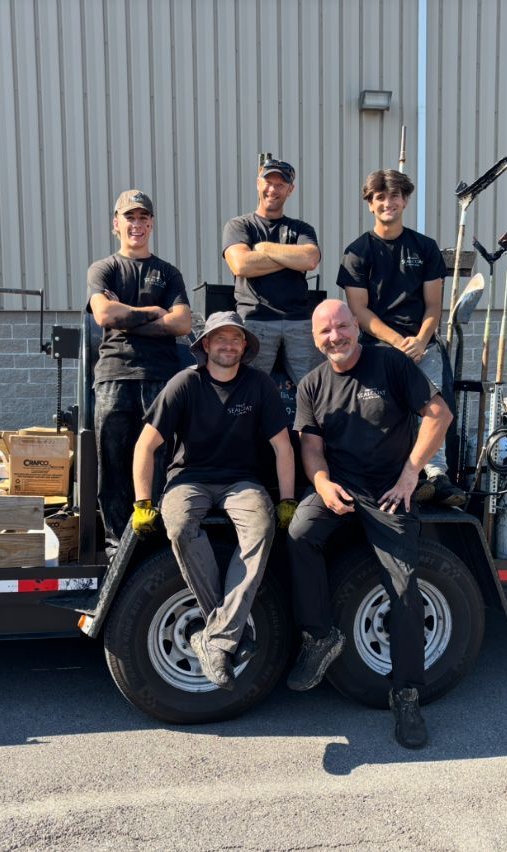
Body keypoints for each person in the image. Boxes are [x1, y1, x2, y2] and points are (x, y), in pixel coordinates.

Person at [286, 300, 453, 749]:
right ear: (315, 339)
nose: (334, 336)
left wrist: (410, 473)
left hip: (387, 492)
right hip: (338, 488)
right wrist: (320, 483)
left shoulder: (390, 363)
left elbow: (439, 415)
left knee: (403, 587)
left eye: (342, 326)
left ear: (356, 327)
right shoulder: (312, 385)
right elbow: (311, 448)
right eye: (325, 331)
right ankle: (321, 638)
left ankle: (407, 694)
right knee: (299, 534)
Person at [132, 311, 296, 691]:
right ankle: (227, 635)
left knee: (261, 526)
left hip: (242, 482)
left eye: (235, 339)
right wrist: (143, 502)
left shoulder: (259, 385)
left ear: (245, 346)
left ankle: (217, 639)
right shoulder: (185, 383)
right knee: (179, 523)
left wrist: (286, 500)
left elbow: (282, 447)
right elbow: (146, 446)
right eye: (219, 339)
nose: (227, 345)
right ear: (205, 345)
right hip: (189, 479)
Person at [337, 168, 465, 507]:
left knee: (434, 410)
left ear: (405, 200)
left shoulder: (424, 247)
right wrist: (397, 343)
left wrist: (421, 341)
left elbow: (434, 304)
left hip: (424, 345)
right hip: (378, 347)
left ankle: (437, 478)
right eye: (380, 197)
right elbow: (360, 311)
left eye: (394, 196)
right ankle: (395, 474)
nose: (387, 203)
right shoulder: (357, 252)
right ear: (370, 204)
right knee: (383, 414)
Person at [87, 189, 192, 559]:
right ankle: (118, 545)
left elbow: (182, 323)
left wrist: (130, 317)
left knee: (162, 462)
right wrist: (154, 311)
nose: (136, 224)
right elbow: (104, 316)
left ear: (151, 223)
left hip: (161, 378)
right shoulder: (104, 269)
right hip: (115, 377)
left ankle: (156, 543)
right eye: (129, 217)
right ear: (117, 224)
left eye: (143, 217)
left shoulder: (168, 272)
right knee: (114, 465)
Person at [222, 157, 321, 384]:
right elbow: (242, 265)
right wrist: (290, 258)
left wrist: (264, 248)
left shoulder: (301, 228)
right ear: (258, 184)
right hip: (256, 319)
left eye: (280, 184)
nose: (272, 189)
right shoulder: (239, 225)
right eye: (268, 182)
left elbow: (310, 259)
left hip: (299, 321)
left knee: (317, 388)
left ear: (290, 189)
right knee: (246, 390)